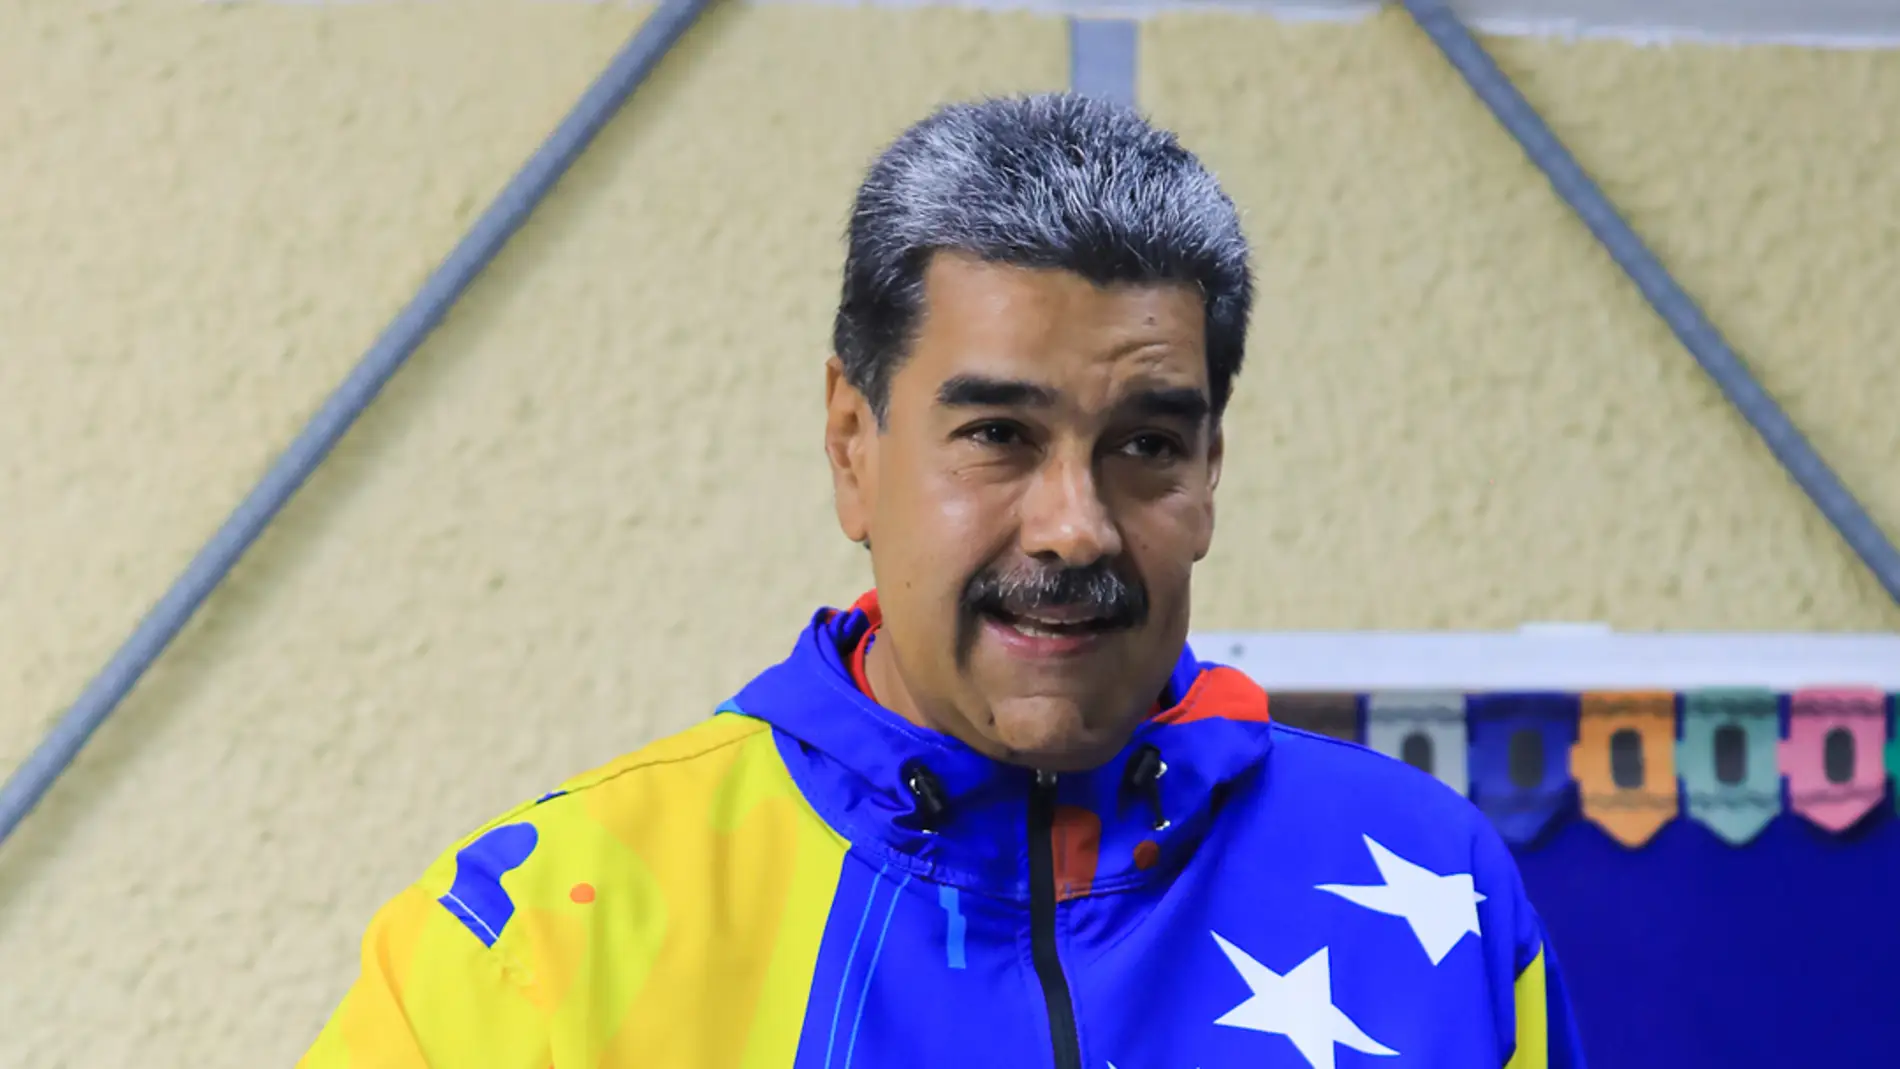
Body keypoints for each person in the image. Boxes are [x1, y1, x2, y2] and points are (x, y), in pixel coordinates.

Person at [299, 93, 1585, 1069]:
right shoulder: (541, 928)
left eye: (1145, 443)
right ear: (852, 445)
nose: (1075, 527)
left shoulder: (1436, 889)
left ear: (1208, 472)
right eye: (997, 436)